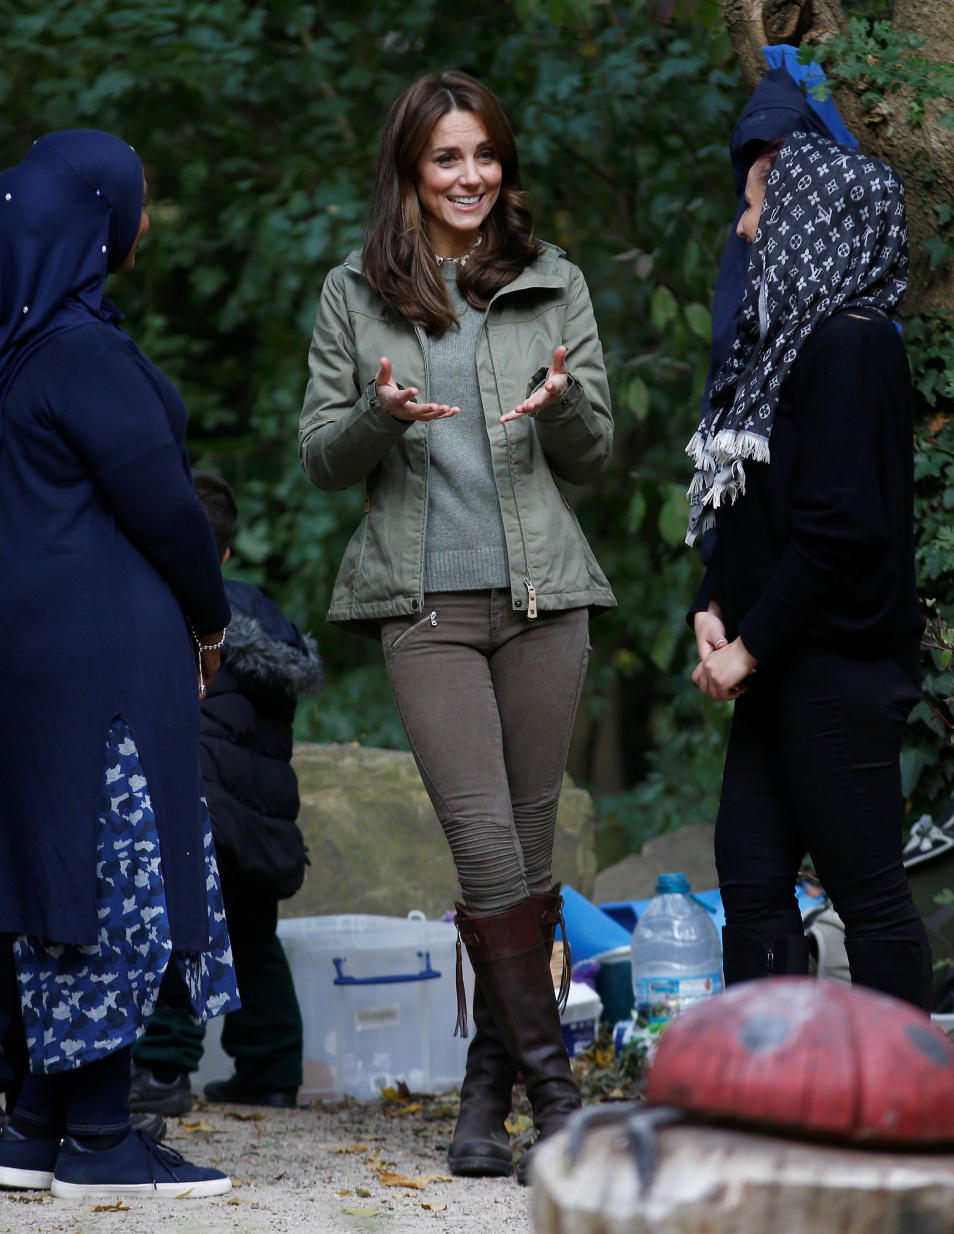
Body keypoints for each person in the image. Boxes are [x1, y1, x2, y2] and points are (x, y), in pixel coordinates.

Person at [298, 71, 615, 1182]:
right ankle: (561, 1100)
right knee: (485, 847)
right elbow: (322, 458)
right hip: (423, 605)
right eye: (446, 159)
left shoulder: (551, 280)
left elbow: (596, 455)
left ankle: (486, 1096)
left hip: (546, 603)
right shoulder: (356, 293)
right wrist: (377, 420)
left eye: (483, 155)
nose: (470, 176)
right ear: (409, 172)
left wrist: (566, 405)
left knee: (524, 865)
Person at [0, 129, 239, 1198]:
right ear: (98, 219)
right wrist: (210, 615)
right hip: (102, 663)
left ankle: (38, 1124)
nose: (145, 219)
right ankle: (102, 1136)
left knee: (63, 872)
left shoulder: (25, 347)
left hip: (43, 656)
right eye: (137, 201)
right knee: (116, 877)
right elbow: (168, 510)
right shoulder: (83, 355)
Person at [686, 132, 932, 1010]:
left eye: (759, 205)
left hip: (839, 667)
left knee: (865, 891)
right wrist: (711, 605)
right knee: (750, 881)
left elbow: (838, 530)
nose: (746, 229)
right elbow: (757, 509)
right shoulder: (787, 348)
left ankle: (909, 1116)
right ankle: (769, 1095)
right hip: (778, 661)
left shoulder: (852, 346)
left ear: (812, 220)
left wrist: (748, 649)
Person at [130, 471, 321, 1113]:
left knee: (178, 938)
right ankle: (271, 1069)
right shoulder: (270, 626)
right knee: (254, 944)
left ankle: (160, 1072)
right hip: (265, 829)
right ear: (229, 554)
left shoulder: (171, 611)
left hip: (203, 817)